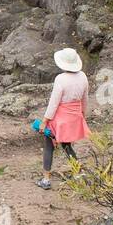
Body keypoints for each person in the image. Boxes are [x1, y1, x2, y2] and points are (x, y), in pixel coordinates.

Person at [37, 46, 90, 190]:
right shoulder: (83, 76)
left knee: (49, 146)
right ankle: (78, 174)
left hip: (59, 119)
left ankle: (46, 179)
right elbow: (85, 99)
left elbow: (54, 103)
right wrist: (82, 115)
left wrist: (44, 121)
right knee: (67, 146)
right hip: (74, 116)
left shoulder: (60, 79)